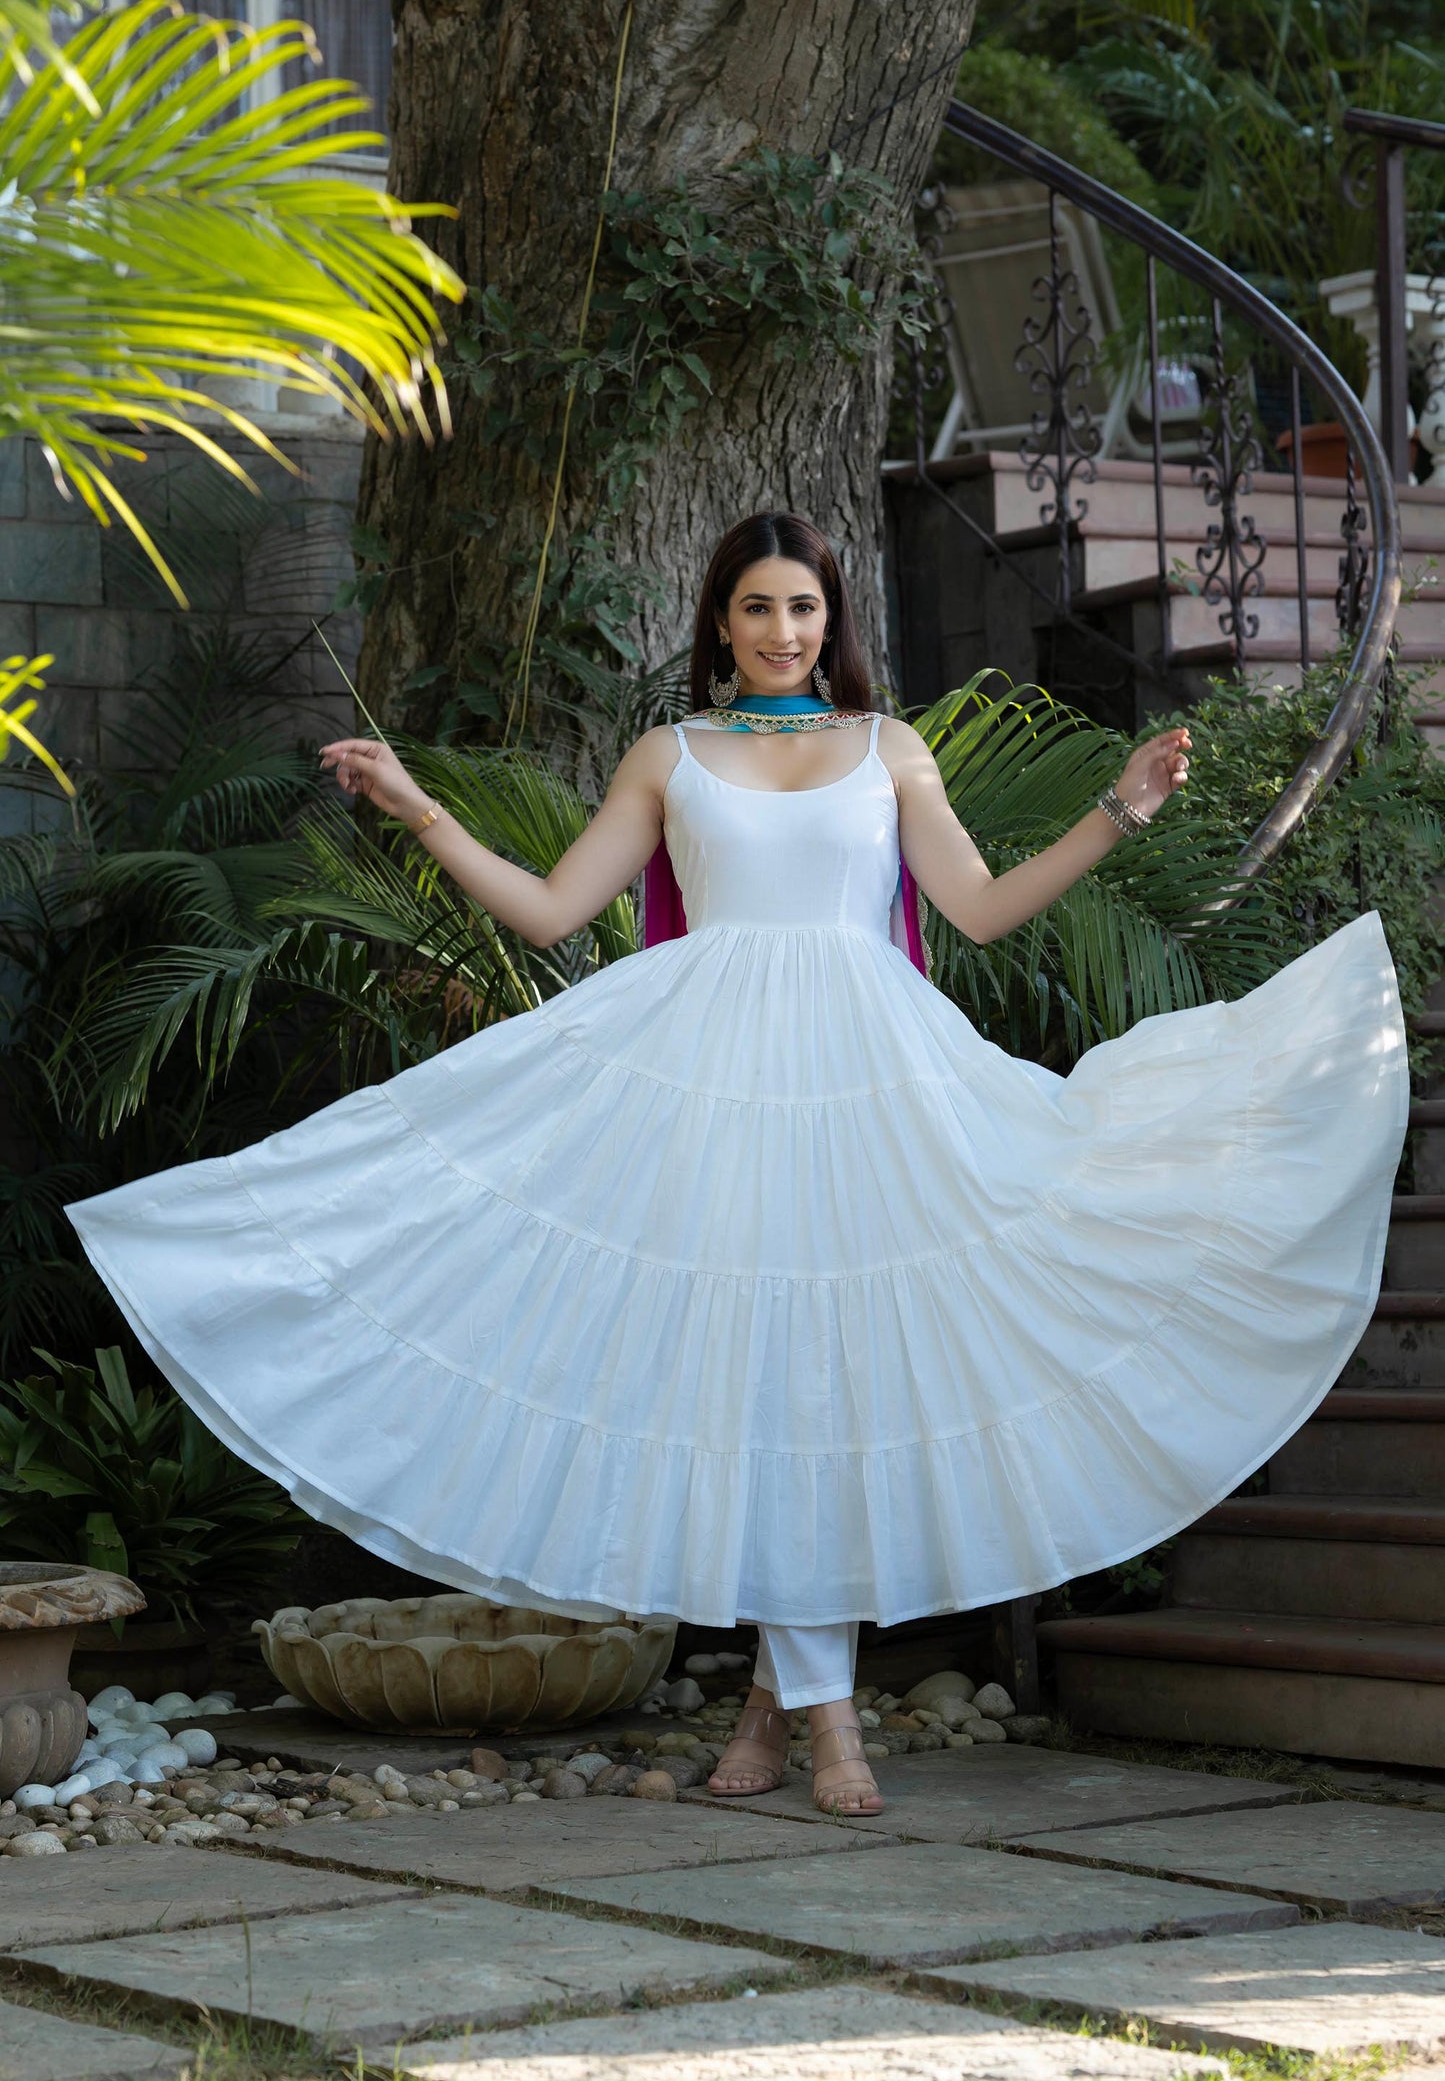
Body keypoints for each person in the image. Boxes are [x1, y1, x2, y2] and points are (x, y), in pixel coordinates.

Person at [66, 510, 1408, 1820]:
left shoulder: (888, 748)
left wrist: (1120, 808)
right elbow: (552, 911)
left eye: (804, 607)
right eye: (758, 606)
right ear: (719, 621)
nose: (782, 629)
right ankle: (821, 1718)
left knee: (828, 1381)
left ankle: (790, 1709)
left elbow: (980, 909)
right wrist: (420, 810)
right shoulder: (670, 755)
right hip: (703, 1088)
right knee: (769, 1381)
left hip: (869, 1088)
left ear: (832, 620)